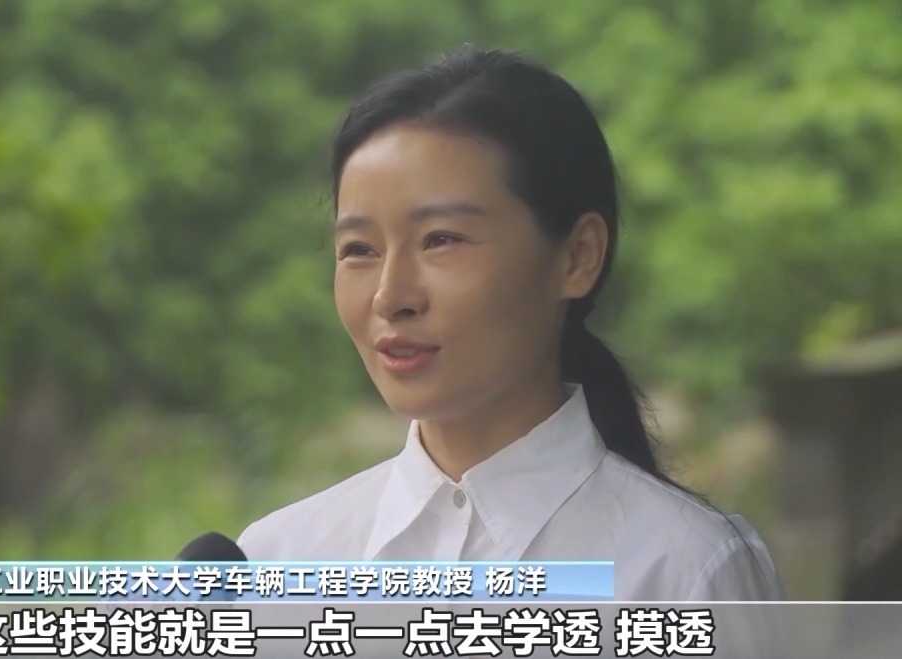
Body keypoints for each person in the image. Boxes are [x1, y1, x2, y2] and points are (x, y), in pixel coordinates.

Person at [237, 46, 784, 601]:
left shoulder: (683, 570)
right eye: (359, 249)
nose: (390, 296)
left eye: (441, 240)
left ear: (577, 257)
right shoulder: (274, 562)